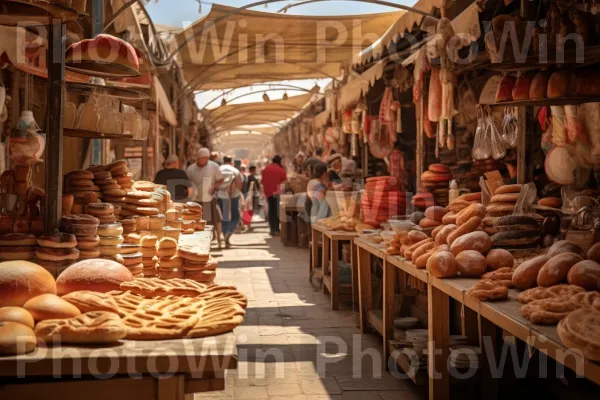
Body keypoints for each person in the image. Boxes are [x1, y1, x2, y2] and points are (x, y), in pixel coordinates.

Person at [186, 148, 225, 248]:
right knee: (198, 221)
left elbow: (221, 179)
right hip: (195, 200)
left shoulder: (214, 166)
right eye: (202, 158)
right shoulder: (191, 169)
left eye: (206, 158)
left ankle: (219, 239)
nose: (204, 160)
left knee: (215, 219)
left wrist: (213, 187)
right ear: (198, 158)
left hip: (209, 198)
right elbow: (187, 183)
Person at [216, 156, 242, 248]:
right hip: (233, 197)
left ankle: (223, 235)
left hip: (219, 196)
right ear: (232, 162)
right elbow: (239, 185)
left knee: (223, 217)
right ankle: (229, 232)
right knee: (235, 217)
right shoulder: (235, 170)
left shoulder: (218, 169)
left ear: (223, 161)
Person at [261, 155, 287, 236]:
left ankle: (272, 228)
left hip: (268, 192)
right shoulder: (281, 170)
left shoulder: (266, 169)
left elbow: (262, 181)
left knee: (271, 209)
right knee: (276, 210)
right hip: (276, 192)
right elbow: (285, 181)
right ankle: (276, 229)